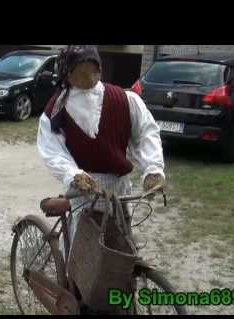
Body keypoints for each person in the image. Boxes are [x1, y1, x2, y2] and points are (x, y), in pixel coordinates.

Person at [37, 45, 166, 246]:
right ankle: (73, 275)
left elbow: (145, 133)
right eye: (81, 72)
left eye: (93, 70)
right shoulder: (56, 111)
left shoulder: (125, 99)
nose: (89, 77)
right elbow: (52, 150)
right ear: (67, 75)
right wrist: (73, 174)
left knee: (121, 244)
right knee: (84, 252)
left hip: (119, 189)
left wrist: (153, 169)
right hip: (84, 191)